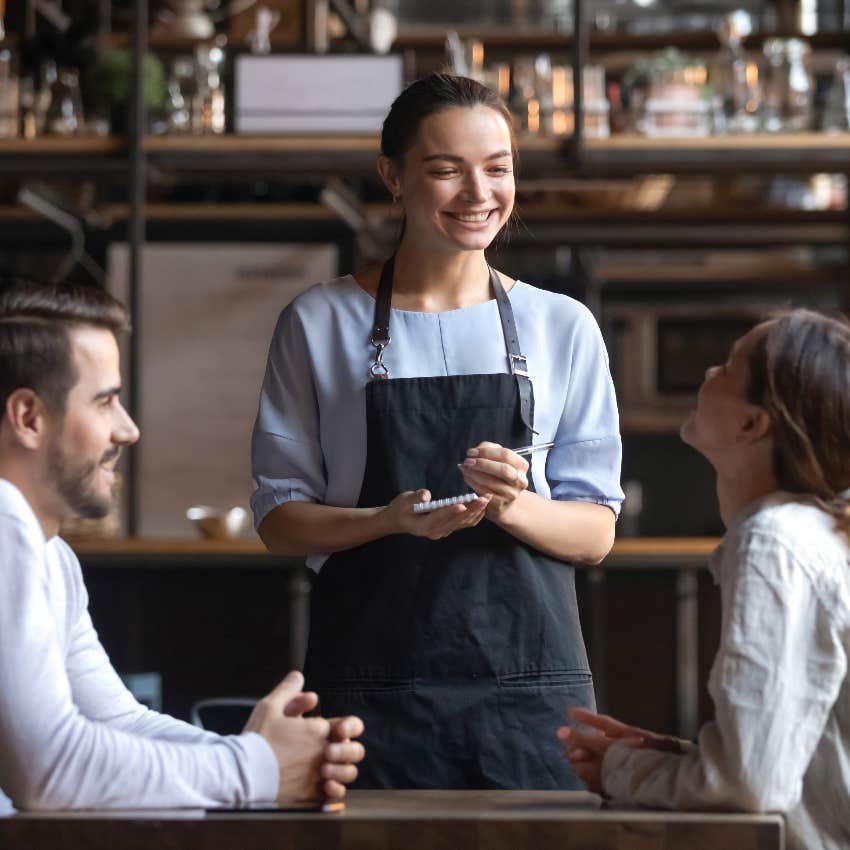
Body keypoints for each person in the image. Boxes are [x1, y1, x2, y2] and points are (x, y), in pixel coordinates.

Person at [251, 72, 624, 789]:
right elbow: (280, 519)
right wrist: (386, 521)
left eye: (498, 169)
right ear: (393, 175)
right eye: (447, 170)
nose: (478, 194)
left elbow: (596, 532)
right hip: (370, 695)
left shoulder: (562, 326)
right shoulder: (319, 321)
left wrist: (516, 505)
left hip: (529, 696)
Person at [0, 279, 365, 811]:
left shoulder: (51, 554)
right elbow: (50, 768)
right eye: (105, 402)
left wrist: (264, 756)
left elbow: (120, 722)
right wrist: (256, 768)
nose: (128, 430)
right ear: (29, 417)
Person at [558, 309, 850, 850]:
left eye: (729, 369)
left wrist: (623, 769)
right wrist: (681, 756)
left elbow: (748, 786)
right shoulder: (813, 531)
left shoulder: (774, 543)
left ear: (751, 424)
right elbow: (792, 757)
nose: (710, 373)